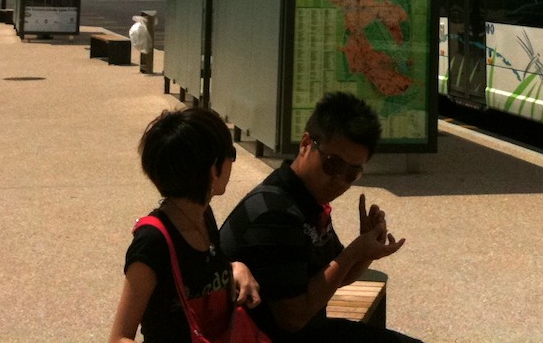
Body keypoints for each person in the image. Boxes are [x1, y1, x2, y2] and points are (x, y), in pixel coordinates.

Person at [219, 92, 422, 343]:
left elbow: (334, 276)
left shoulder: (307, 199)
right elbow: (293, 318)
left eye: (352, 173)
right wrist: (355, 252)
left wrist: (367, 249)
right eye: (333, 164)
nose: (339, 180)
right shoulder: (275, 212)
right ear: (306, 144)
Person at [109, 106, 260, 343]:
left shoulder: (203, 216)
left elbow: (199, 273)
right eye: (230, 154)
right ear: (213, 170)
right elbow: (119, 337)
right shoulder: (152, 242)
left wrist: (234, 268)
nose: (232, 162)